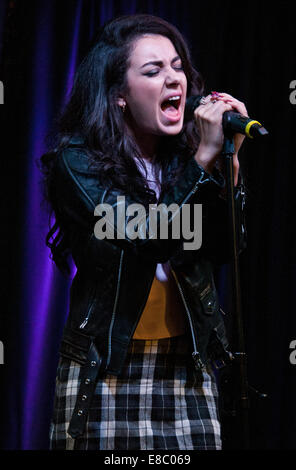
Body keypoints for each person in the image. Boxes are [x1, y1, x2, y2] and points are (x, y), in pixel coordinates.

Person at [40, 14, 247, 450]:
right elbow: (150, 239)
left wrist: (226, 169)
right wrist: (202, 161)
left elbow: (227, 247)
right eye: (153, 71)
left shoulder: (187, 159)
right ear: (118, 94)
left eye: (177, 67)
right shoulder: (78, 164)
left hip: (188, 364)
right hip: (106, 367)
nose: (174, 79)